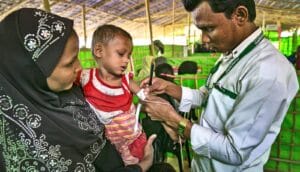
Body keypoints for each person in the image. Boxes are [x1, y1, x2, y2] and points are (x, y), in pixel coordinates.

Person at [140, 0, 299, 171]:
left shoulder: (268, 72)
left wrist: (172, 119)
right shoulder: (231, 54)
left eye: (208, 28)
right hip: (202, 164)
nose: (203, 39)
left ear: (240, 15)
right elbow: (208, 96)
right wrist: (168, 88)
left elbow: (235, 151)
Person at [0, 8, 156, 172]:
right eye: (69, 63)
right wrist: (143, 165)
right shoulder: (26, 141)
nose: (79, 67)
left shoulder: (71, 93)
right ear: (30, 71)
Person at [76, 24, 148, 165]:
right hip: (105, 146)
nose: (127, 60)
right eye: (121, 54)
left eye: (129, 56)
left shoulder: (126, 80)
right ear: (99, 51)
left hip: (131, 142)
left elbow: (139, 91)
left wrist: (143, 93)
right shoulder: (86, 77)